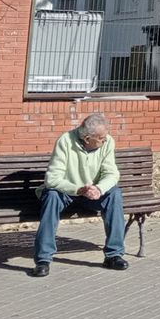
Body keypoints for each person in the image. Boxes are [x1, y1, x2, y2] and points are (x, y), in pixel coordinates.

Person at [32, 111, 128, 277]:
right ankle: (43, 259)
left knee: (115, 195)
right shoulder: (65, 141)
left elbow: (111, 174)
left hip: (92, 193)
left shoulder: (108, 142)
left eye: (105, 137)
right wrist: (78, 189)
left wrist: (99, 189)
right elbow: (52, 179)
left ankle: (114, 255)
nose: (105, 140)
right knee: (52, 196)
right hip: (66, 192)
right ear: (87, 139)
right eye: (101, 138)